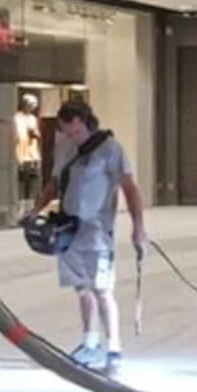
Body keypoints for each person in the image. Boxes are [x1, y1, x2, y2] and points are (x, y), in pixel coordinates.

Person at [35, 100, 146, 375]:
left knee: (102, 290)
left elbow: (130, 189)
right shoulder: (63, 147)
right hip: (68, 231)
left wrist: (138, 227)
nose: (71, 138)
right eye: (66, 132)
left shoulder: (110, 149)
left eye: (75, 132)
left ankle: (114, 348)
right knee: (82, 288)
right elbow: (54, 183)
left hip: (97, 232)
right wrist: (35, 210)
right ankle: (89, 342)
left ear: (87, 122)